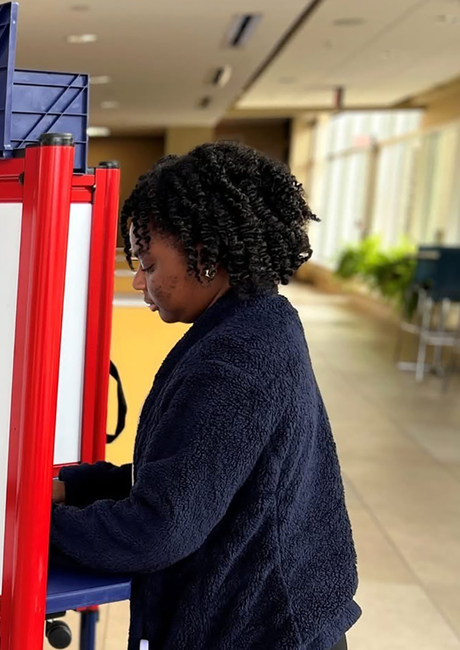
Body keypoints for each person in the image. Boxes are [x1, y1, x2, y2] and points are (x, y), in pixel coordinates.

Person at [50, 142, 359, 650]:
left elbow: (158, 527)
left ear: (206, 253)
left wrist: (40, 524)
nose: (139, 280)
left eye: (148, 264)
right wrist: (77, 489)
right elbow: (200, 476)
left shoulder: (235, 359)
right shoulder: (261, 322)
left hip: (261, 633)